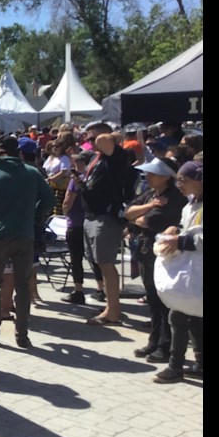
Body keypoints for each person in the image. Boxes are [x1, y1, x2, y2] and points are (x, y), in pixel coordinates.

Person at [0, 136, 55, 348]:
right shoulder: (32, 173)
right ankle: (22, 335)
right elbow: (49, 200)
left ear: (0, 151)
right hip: (24, 235)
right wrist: (33, 215)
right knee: (22, 286)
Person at [123, 157, 186, 360]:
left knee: (164, 301)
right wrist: (149, 206)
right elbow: (129, 213)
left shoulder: (174, 197)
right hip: (145, 252)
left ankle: (165, 346)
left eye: (152, 174)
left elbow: (148, 221)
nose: (147, 176)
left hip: (163, 254)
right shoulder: (151, 194)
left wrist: (143, 215)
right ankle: (154, 341)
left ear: (166, 176)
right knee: (152, 299)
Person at [152, 161, 203, 383]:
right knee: (188, 316)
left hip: (197, 271)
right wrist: (176, 231)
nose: (179, 184)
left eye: (184, 180)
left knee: (180, 314)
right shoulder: (190, 205)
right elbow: (189, 229)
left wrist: (180, 240)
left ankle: (176, 367)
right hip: (190, 271)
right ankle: (198, 363)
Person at [79, 122, 131, 325]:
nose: (90, 143)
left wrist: (111, 134)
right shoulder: (98, 158)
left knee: (106, 264)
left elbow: (103, 139)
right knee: (100, 263)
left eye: (93, 138)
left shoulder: (116, 155)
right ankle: (111, 306)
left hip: (106, 217)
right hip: (92, 214)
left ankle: (113, 311)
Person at [61, 151, 104, 304]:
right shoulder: (95, 179)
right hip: (90, 221)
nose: (76, 166)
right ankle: (101, 289)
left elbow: (68, 202)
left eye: (78, 163)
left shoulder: (77, 180)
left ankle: (78, 290)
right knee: (94, 258)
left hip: (76, 222)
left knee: (76, 258)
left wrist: (65, 213)